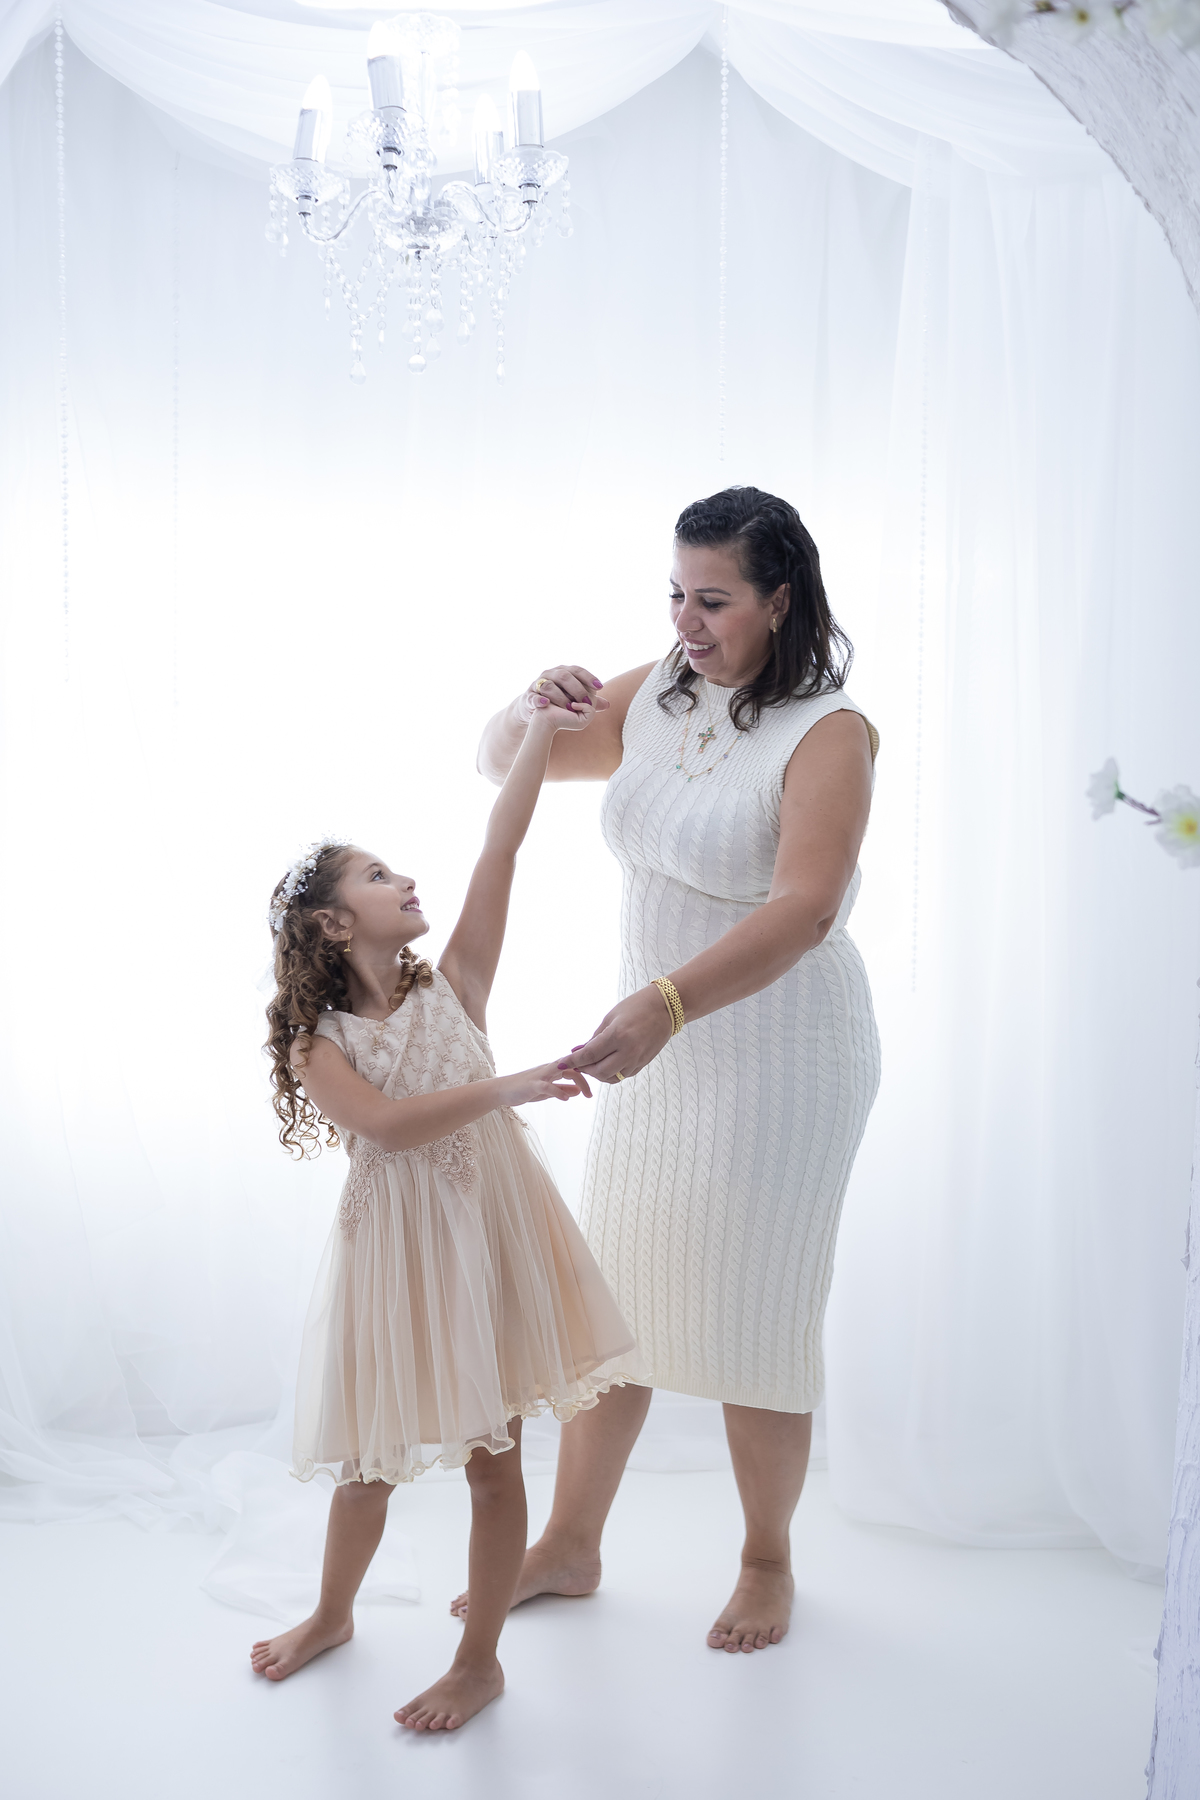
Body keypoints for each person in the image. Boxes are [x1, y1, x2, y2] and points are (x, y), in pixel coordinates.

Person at [461, 486, 880, 1654]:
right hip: (660, 1055)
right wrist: (525, 707)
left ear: (779, 600)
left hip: (781, 1053)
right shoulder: (664, 689)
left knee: (758, 1315)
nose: (687, 622)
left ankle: (766, 1560)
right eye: (676, 595)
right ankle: (573, 1545)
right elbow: (513, 765)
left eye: (714, 601)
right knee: (619, 1302)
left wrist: (672, 999)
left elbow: (804, 909)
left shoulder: (828, 734)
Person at [249, 696, 640, 1731]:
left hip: (487, 1243)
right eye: (377, 877)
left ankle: (480, 1661)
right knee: (369, 1465)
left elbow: (499, 848)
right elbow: (386, 1127)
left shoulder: (455, 986)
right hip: (398, 1259)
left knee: (494, 1458)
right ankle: (332, 1612)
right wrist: (510, 1085)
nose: (405, 879)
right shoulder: (318, 1045)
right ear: (335, 923)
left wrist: (548, 737)